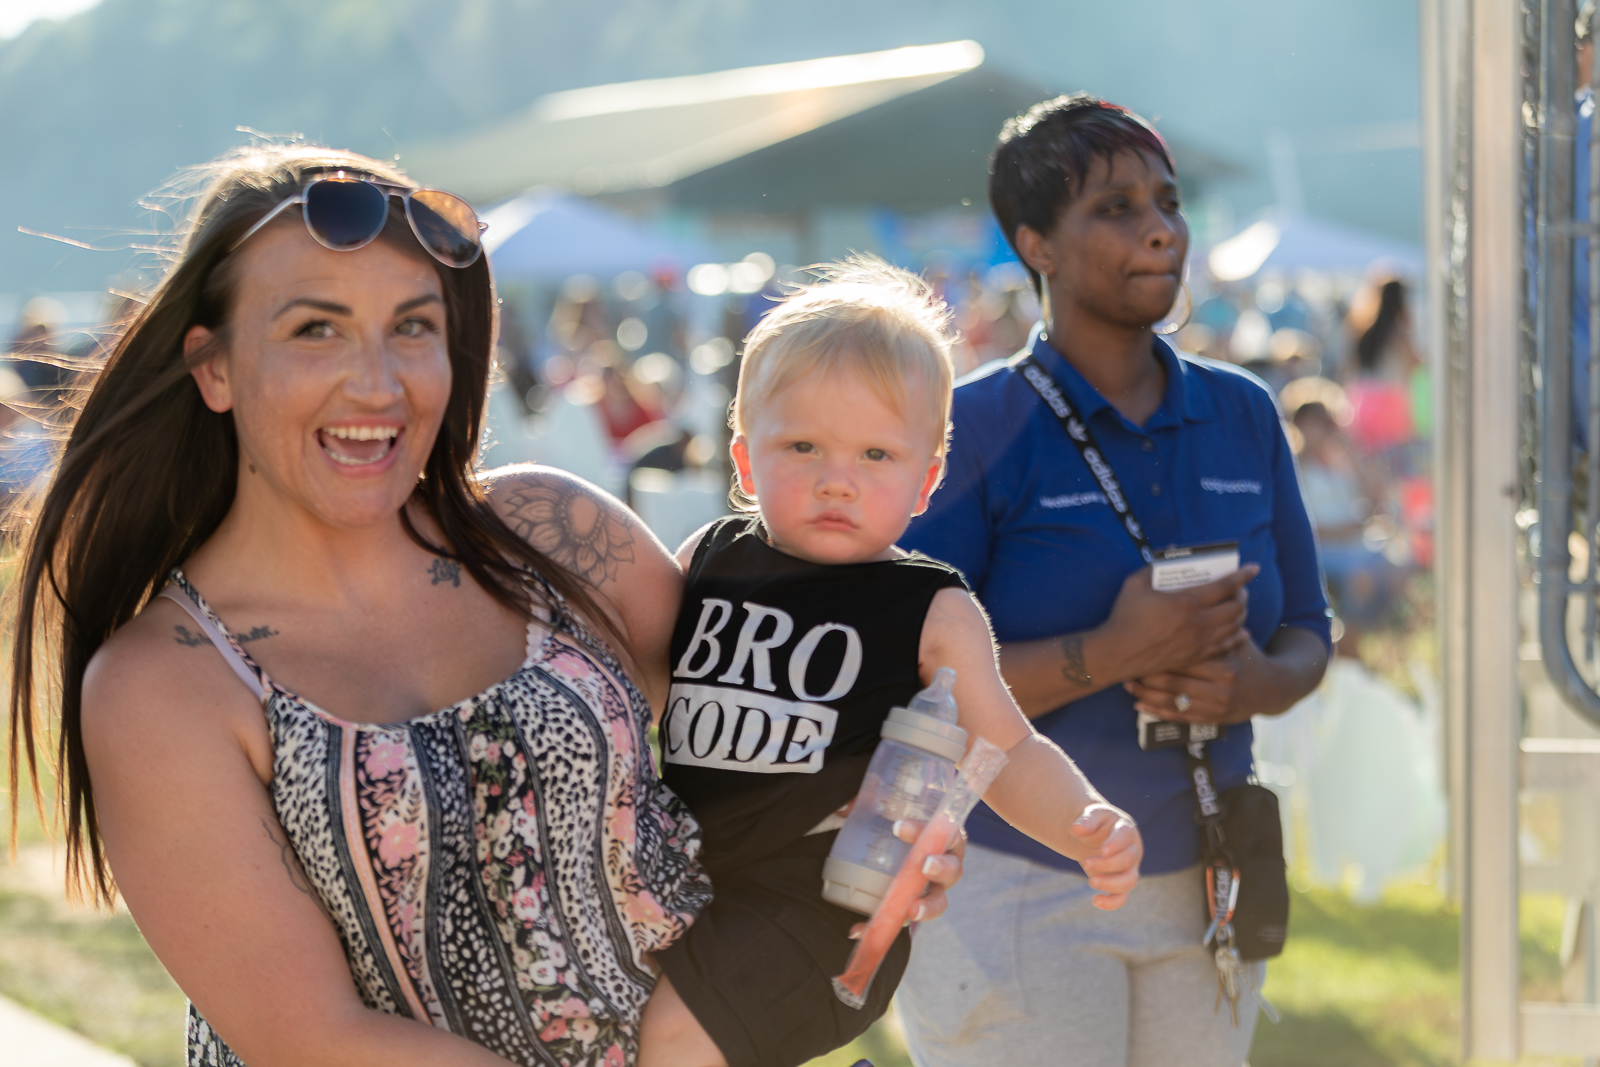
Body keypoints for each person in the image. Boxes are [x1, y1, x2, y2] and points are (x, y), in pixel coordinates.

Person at [6, 144, 911, 1067]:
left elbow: (757, 742)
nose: (377, 382)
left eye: (412, 327)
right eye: (316, 329)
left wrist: (882, 820)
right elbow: (312, 1038)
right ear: (213, 367)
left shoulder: (553, 536)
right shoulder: (165, 684)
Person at [897, 95, 1331, 1067]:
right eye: (1115, 206)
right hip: (1016, 884)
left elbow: (1308, 623)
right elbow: (908, 677)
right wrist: (1115, 651)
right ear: (1034, 244)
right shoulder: (972, 429)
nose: (1157, 228)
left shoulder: (1244, 414)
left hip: (1206, 880)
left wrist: (1258, 682)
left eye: (1167, 202)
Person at [637, 257, 1142, 1067]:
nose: (837, 480)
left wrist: (1083, 822)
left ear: (926, 479)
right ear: (742, 462)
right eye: (802, 446)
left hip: (824, 901)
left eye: (876, 456)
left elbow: (1007, 748)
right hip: (686, 884)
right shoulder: (708, 556)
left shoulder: (929, 609)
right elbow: (637, 695)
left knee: (673, 1046)